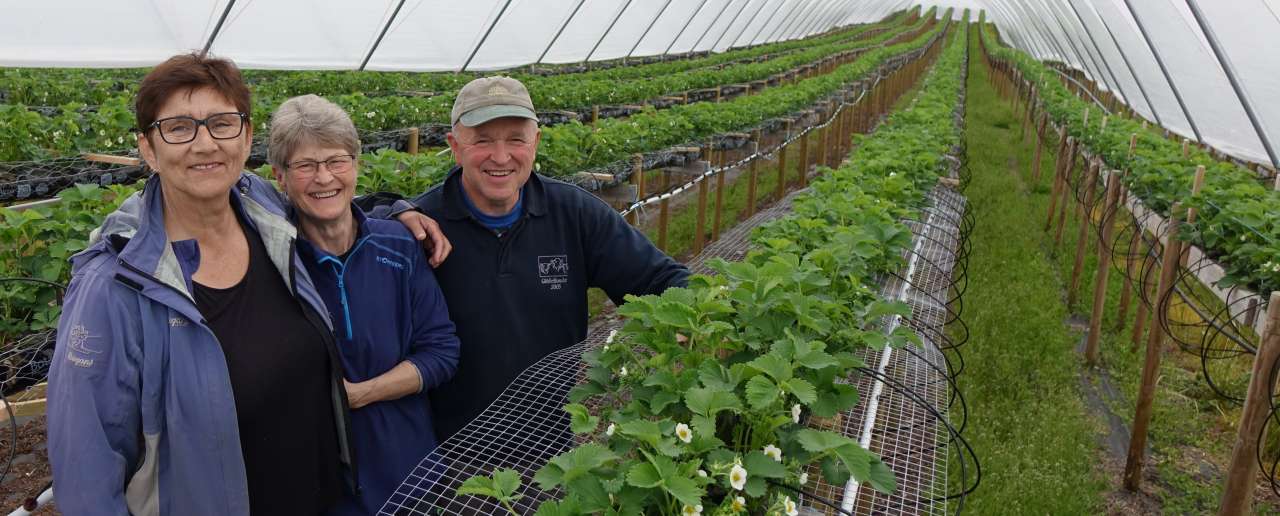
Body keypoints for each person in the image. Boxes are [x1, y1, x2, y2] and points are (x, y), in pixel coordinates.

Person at [44, 53, 451, 515]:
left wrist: (400, 208)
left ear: (246, 137)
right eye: (179, 127)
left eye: (222, 123)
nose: (204, 144)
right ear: (148, 149)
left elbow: (329, 199)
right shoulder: (112, 286)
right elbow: (85, 472)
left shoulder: (267, 216)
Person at [377, 76, 690, 440]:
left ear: (536, 142)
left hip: (545, 447)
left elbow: (660, 281)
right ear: (455, 146)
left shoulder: (574, 214)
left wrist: (703, 318)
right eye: (482, 141)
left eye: (516, 139)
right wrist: (391, 211)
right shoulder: (422, 225)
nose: (500, 156)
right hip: (440, 453)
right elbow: (344, 233)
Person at [267, 94, 460, 515]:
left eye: (336, 161)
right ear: (279, 177)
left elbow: (441, 350)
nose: (324, 178)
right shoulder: (274, 262)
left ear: (356, 164)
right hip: (319, 482)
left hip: (407, 468)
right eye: (305, 166)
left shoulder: (399, 246)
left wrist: (359, 394)